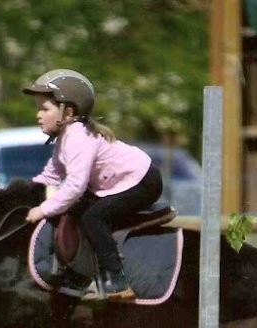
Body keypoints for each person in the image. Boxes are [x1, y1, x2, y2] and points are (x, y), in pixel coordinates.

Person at [22, 69, 163, 301]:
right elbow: (50, 176)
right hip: (121, 183)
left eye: (44, 109)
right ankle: (79, 275)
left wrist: (43, 209)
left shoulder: (77, 138)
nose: (38, 115)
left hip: (142, 182)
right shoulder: (65, 138)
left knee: (92, 218)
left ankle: (118, 281)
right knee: (73, 212)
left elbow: (75, 187)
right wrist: (20, 193)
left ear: (68, 112)